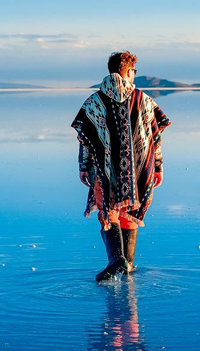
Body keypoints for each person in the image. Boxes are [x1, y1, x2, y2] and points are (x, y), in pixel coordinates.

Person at [71, 51, 171, 282]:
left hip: (104, 171)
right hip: (138, 169)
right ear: (127, 72)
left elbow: (86, 137)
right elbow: (154, 138)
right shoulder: (143, 99)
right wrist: (157, 166)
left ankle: (117, 260)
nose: (134, 76)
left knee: (109, 212)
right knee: (129, 212)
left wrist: (83, 166)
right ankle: (128, 265)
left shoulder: (94, 101)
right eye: (133, 71)